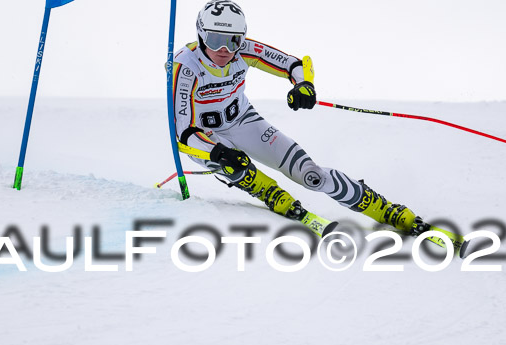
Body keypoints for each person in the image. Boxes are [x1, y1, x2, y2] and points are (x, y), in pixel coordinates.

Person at [172, 0, 428, 235]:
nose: (225, 49)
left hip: (243, 121)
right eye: (216, 39)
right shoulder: (186, 67)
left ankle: (385, 210)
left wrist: (304, 85)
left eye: (234, 40)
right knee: (234, 165)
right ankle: (269, 193)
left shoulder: (245, 51)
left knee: (310, 174)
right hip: (204, 136)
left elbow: (293, 64)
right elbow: (183, 130)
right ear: (201, 34)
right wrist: (216, 151)